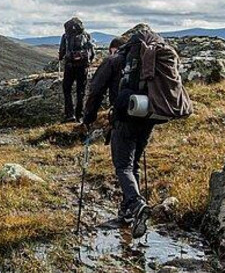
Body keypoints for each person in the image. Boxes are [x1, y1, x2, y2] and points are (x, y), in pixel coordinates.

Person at [82, 33, 159, 238]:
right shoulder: (152, 58)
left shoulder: (114, 60)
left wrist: (88, 119)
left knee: (123, 165)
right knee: (132, 164)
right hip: (149, 116)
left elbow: (96, 91)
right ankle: (127, 212)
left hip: (125, 118)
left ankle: (135, 203)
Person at [58, 17, 95, 123]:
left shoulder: (65, 36)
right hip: (83, 67)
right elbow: (92, 52)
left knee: (67, 89)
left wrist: (61, 57)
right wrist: (89, 62)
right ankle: (80, 115)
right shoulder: (86, 35)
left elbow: (62, 52)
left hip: (70, 66)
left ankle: (69, 114)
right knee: (81, 91)